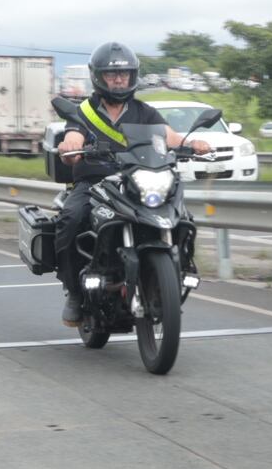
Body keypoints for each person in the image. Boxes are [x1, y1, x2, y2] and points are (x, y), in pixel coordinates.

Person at [53, 41, 214, 324]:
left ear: (133, 76)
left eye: (124, 74)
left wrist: (193, 143)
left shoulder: (144, 111)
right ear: (98, 77)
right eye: (112, 75)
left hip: (135, 180)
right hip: (95, 183)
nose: (119, 79)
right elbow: (73, 135)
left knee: (182, 218)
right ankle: (75, 293)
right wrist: (70, 146)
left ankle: (177, 271)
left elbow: (169, 136)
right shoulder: (84, 111)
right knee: (71, 218)